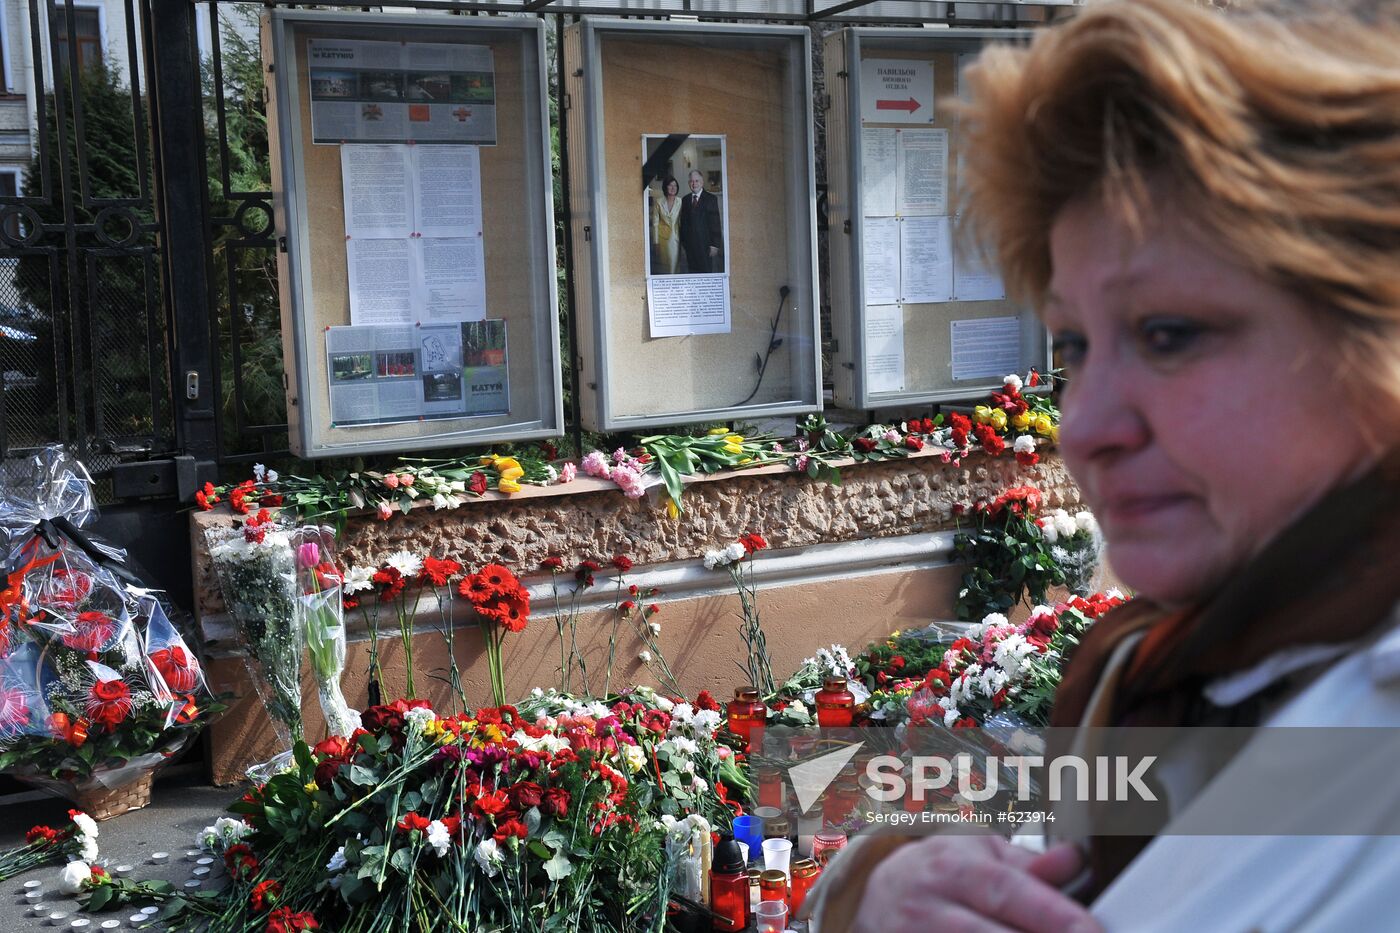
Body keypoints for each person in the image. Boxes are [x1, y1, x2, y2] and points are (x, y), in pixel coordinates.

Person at [808, 1, 1400, 929]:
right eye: (1078, 344)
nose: (1082, 426)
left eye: (1168, 334)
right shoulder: (1162, 670)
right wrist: (878, 887)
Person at [678, 169, 723, 273]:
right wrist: (684, 243)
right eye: (691, 181)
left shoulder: (711, 199)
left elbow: (715, 223)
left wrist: (715, 245)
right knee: (692, 273)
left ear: (702, 182)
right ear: (689, 183)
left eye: (697, 181)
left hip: (706, 246)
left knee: (706, 272)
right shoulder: (685, 200)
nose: (694, 184)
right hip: (690, 246)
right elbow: (683, 223)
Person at [650, 176, 683, 275]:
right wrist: (656, 242)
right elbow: (655, 223)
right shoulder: (659, 202)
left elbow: (684, 220)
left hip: (676, 237)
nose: (673, 188)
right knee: (664, 265)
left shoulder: (681, 201)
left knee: (674, 265)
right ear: (665, 187)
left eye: (675, 186)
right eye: (670, 185)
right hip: (662, 238)